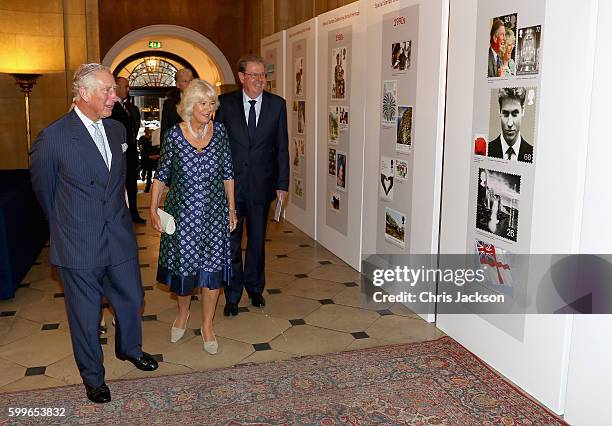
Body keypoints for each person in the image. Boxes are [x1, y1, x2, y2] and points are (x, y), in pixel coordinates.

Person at [30, 63, 158, 404]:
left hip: (118, 237)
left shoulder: (117, 130)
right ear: (84, 93)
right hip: (78, 243)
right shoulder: (53, 138)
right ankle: (94, 378)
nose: (114, 97)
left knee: (132, 297)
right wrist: (67, 228)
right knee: (86, 317)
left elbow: (118, 184)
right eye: (107, 90)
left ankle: (129, 348)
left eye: (113, 91)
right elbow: (45, 193)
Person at [150, 79, 237, 354]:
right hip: (183, 216)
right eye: (203, 103)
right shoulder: (175, 136)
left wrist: (232, 209)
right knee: (185, 274)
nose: (209, 108)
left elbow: (228, 173)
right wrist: (153, 208)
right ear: (190, 105)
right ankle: (183, 313)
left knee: (211, 274)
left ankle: (208, 325)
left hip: (214, 216)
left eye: (212, 103)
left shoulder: (220, 132)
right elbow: (162, 175)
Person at [215, 54, 289, 316]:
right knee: (232, 242)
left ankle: (255, 288)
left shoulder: (277, 105)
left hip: (261, 186)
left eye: (263, 75)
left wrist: (282, 184)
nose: (260, 80)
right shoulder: (225, 104)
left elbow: (282, 147)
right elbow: (217, 147)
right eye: (254, 75)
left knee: (257, 240)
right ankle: (232, 295)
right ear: (242, 77)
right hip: (231, 189)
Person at [111, 76, 146, 223]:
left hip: (130, 152)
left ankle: (133, 213)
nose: (128, 89)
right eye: (125, 86)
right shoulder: (111, 107)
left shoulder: (130, 108)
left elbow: (134, 128)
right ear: (116, 87)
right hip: (119, 153)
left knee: (132, 183)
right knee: (119, 184)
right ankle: (121, 215)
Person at [487, 87, 533, 163]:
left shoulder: (532, 153)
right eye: (505, 114)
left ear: (523, 111)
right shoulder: (487, 150)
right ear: (499, 111)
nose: (510, 123)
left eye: (515, 114)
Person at [160, 68, 194, 146]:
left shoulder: (202, 101)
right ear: (178, 85)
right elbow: (165, 129)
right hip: (176, 147)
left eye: (191, 81)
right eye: (185, 81)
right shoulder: (169, 104)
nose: (189, 84)